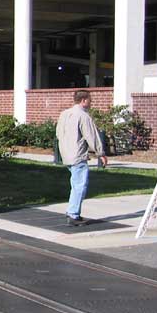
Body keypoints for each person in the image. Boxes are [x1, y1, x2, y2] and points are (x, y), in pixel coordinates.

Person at [56, 90, 108, 227]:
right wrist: (100, 153)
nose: (91, 103)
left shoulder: (64, 114)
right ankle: (73, 214)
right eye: (90, 100)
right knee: (80, 185)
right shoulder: (83, 116)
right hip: (78, 155)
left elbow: (58, 134)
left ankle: (72, 211)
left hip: (66, 154)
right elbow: (92, 136)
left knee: (75, 184)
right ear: (84, 100)